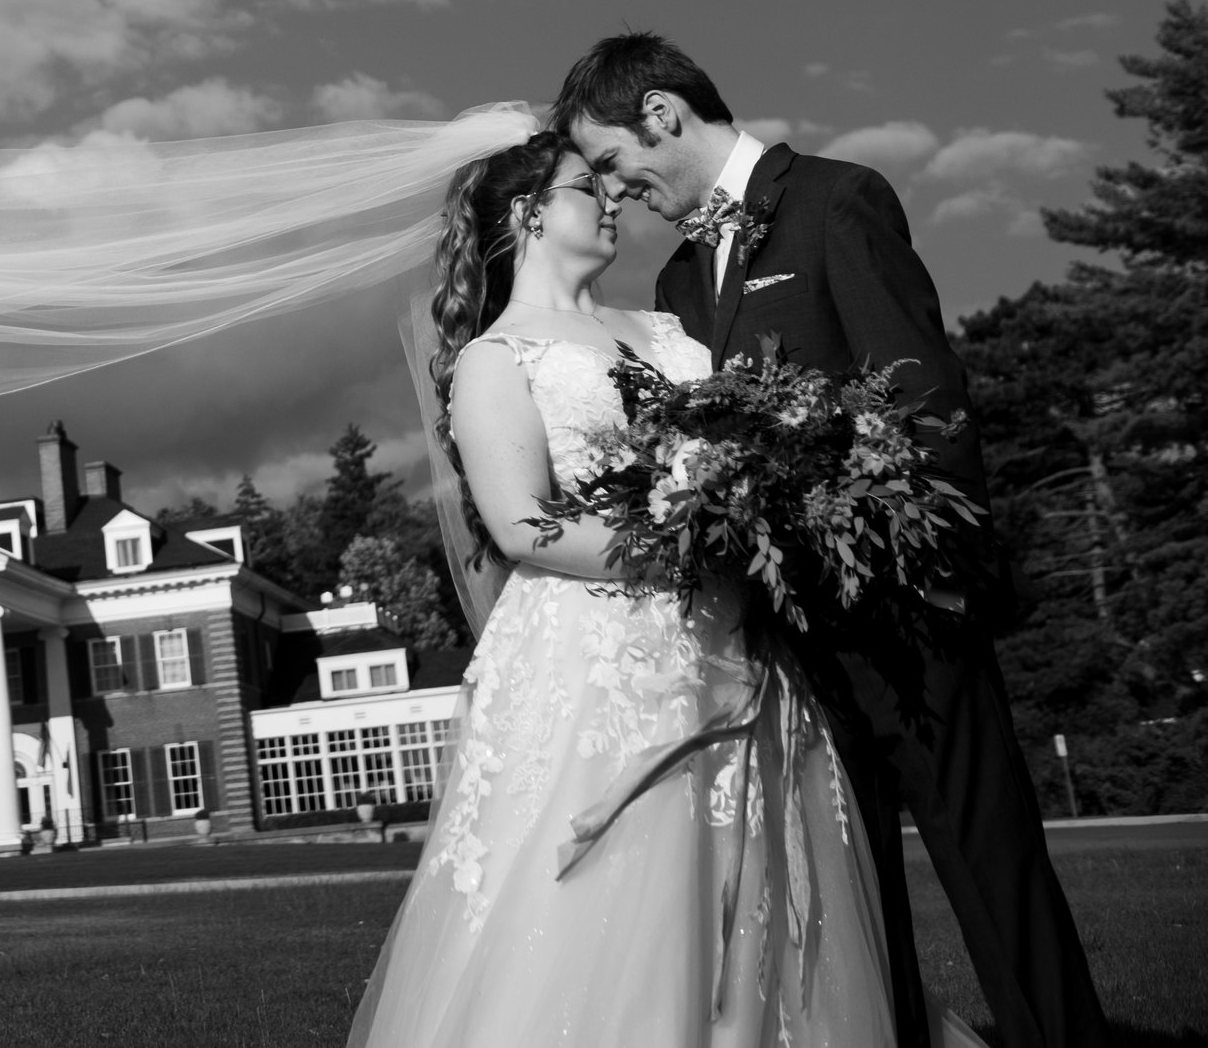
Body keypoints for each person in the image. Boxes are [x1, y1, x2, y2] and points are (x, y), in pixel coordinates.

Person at [555, 33, 1106, 1048]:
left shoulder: (836, 200)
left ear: (663, 116)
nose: (614, 190)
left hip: (907, 614)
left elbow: (922, 396)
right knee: (850, 904)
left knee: (992, 871)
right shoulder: (680, 278)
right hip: (788, 645)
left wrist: (932, 580)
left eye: (611, 161)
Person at [350, 131, 900, 1047]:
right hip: (596, 666)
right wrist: (685, 543)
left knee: (756, 889)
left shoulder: (668, 332)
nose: (611, 199)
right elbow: (524, 522)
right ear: (529, 215)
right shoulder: (500, 357)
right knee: (617, 898)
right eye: (585, 186)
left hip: (734, 642)